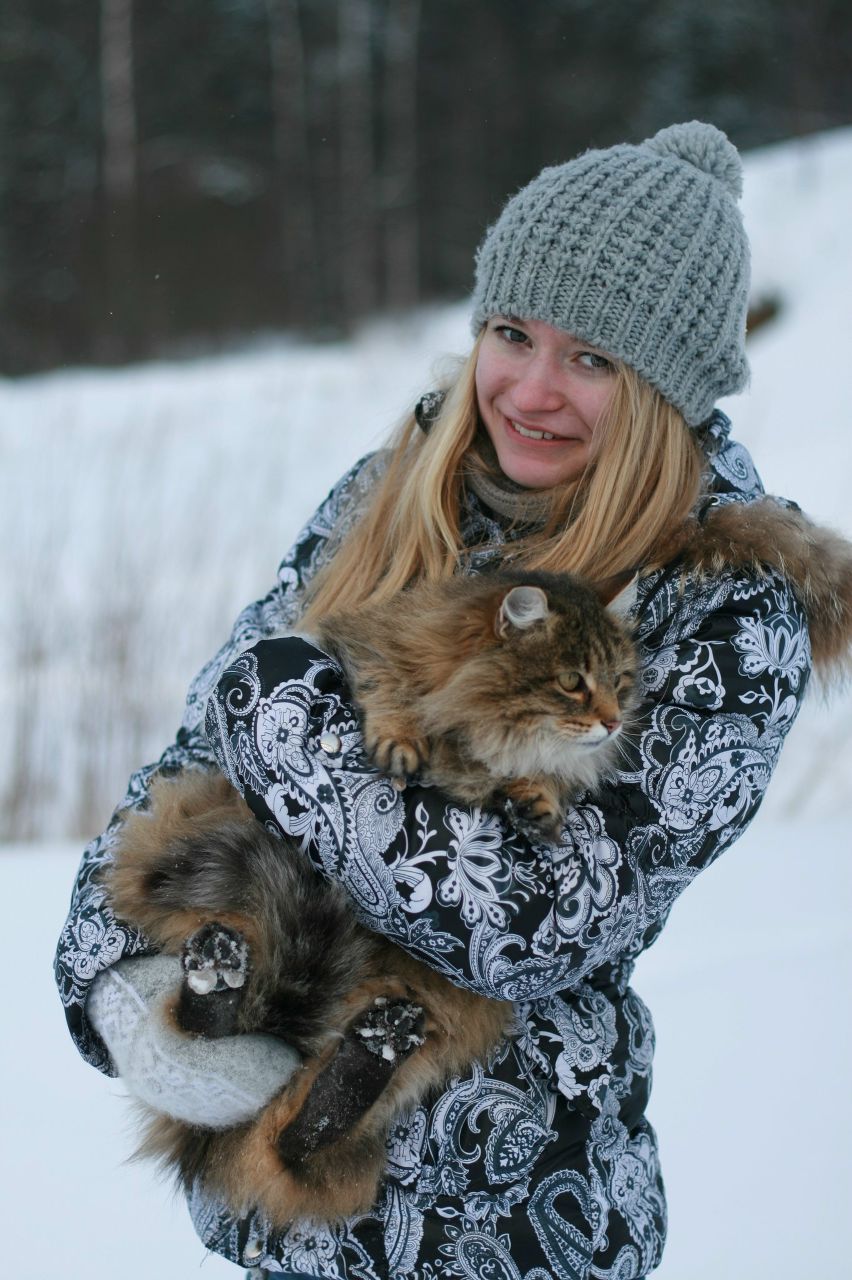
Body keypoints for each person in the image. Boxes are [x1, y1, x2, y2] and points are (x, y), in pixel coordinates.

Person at [56, 121, 831, 1279]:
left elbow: (535, 920)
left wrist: (293, 729)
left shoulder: (727, 607)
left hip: (503, 1225)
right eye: (511, 334)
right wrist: (118, 977)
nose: (531, 390)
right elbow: (193, 754)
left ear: (665, 383)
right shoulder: (399, 490)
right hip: (287, 1234)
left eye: (592, 357)